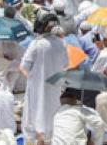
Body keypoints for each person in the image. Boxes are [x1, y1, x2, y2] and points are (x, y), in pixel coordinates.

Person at [20, 14, 69, 144]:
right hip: (55, 87)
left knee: (33, 115)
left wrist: (33, 79)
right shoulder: (61, 44)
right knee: (52, 115)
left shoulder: (36, 44)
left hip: (37, 88)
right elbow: (65, 64)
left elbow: (24, 67)